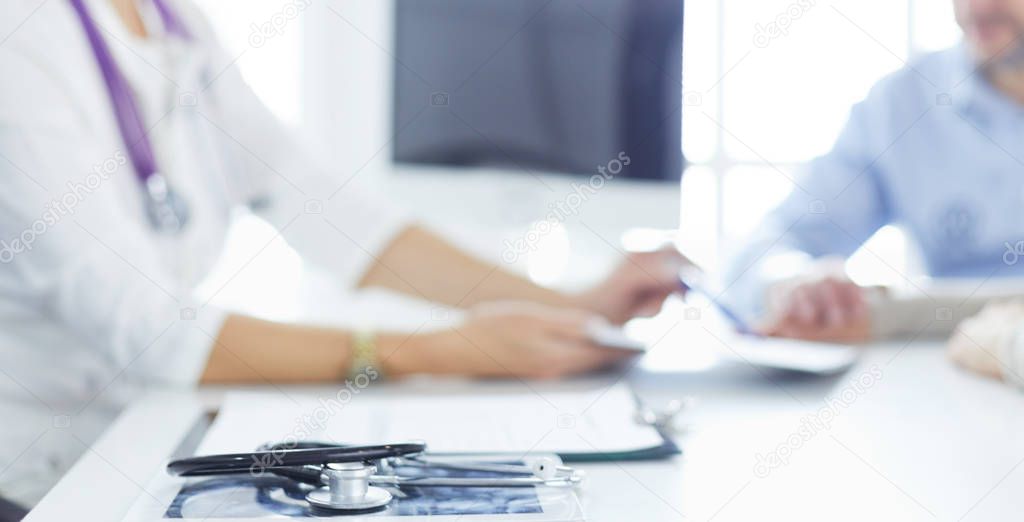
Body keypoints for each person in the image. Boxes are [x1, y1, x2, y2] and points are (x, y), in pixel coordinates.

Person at [0, 0, 683, 510]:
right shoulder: (20, 42)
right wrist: (451, 351)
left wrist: (571, 304)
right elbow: (148, 330)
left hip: (149, 431)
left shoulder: (169, 18)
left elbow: (321, 206)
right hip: (43, 472)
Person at [723, 0, 1024, 343]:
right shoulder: (901, 104)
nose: (978, 7)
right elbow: (768, 248)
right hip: (954, 379)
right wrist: (792, 282)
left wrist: (893, 314)